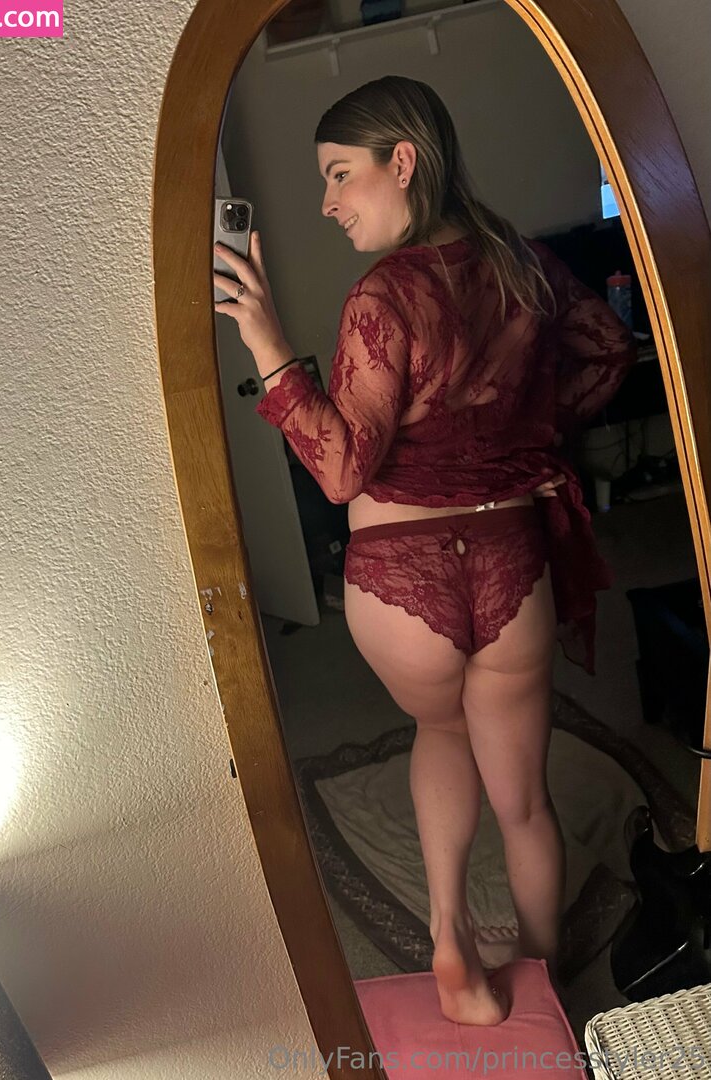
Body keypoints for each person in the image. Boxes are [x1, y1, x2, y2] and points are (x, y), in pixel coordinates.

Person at [213, 75, 636, 1026]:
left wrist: (267, 341)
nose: (327, 202)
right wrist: (526, 439)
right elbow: (608, 351)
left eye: (339, 174)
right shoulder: (521, 263)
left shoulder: (384, 294)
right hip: (511, 559)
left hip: (403, 578)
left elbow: (341, 469)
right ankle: (549, 991)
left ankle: (451, 939)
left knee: (440, 734)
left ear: (401, 161)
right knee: (525, 802)